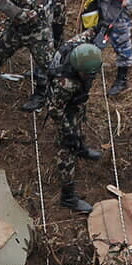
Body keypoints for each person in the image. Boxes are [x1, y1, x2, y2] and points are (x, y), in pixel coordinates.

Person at [47, 33, 102, 214]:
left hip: (75, 102)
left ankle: (81, 146)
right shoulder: (66, 84)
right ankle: (68, 196)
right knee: (67, 147)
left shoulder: (76, 46)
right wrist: (68, 132)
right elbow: (55, 110)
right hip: (63, 106)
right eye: (88, 74)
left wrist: (97, 29)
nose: (91, 77)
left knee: (79, 117)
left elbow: (86, 34)